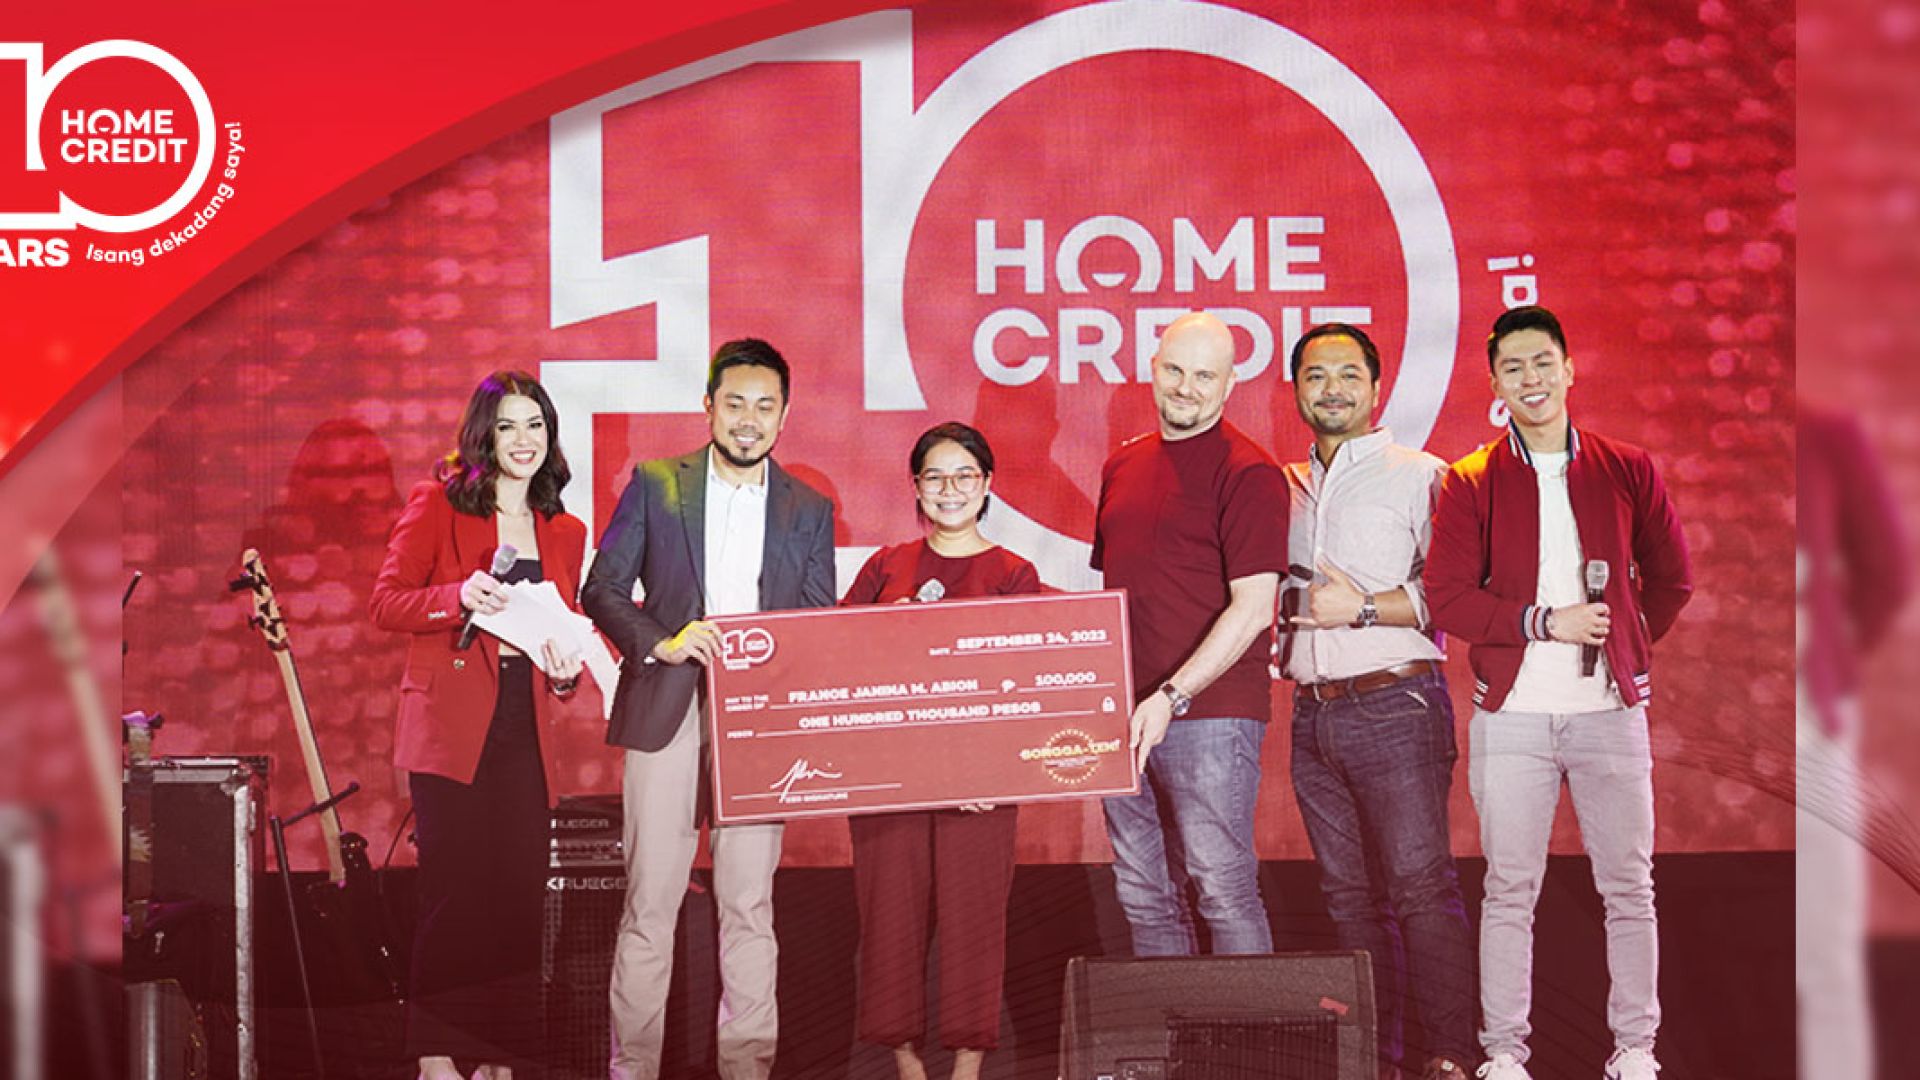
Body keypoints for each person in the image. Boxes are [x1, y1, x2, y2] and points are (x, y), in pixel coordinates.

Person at [1424, 306, 1692, 1080]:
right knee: (1510, 889)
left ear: (1569, 369)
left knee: (1629, 887)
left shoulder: (1626, 468)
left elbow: (1672, 578)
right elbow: (1447, 598)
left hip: (1609, 714)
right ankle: (1504, 1054)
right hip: (1512, 717)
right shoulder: (1471, 480)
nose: (1531, 379)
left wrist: (1626, 645)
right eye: (1513, 368)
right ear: (1495, 385)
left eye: (1542, 362)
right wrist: (1544, 623)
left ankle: (1635, 1049)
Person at [582, 338, 836, 1080]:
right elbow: (602, 589)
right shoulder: (658, 484)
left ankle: (746, 1069)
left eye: (764, 406)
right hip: (667, 705)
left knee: (749, 907)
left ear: (784, 415)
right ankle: (632, 1069)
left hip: (758, 722)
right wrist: (661, 642)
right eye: (735, 404)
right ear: (708, 407)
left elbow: (817, 619)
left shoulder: (809, 509)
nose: (748, 420)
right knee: (649, 905)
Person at [370, 370, 588, 1080]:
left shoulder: (565, 530)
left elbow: (563, 636)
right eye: (507, 427)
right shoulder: (439, 504)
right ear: (482, 436)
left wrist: (565, 674)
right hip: (451, 727)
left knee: (519, 896)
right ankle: (436, 1056)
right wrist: (457, 596)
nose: (524, 441)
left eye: (535, 425)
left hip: (525, 728)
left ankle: (499, 1058)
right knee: (456, 895)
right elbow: (387, 602)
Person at [1279, 324, 1474, 1080]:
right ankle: (1374, 1063)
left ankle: (1452, 1056)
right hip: (1312, 715)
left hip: (1397, 704)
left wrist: (1361, 608)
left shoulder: (1422, 476)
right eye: (1316, 376)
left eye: (1348, 375)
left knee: (1421, 889)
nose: (1332, 389)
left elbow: (1459, 591)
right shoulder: (1283, 485)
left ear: (1376, 386)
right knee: (1348, 901)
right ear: (1296, 389)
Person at [841, 422, 1040, 1080]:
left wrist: (996, 769)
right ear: (916, 487)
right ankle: (903, 1058)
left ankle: (967, 1064)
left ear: (986, 485)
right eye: (935, 476)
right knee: (887, 918)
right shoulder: (885, 566)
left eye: (964, 476)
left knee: (974, 919)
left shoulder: (1013, 573)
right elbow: (835, 657)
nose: (949, 489)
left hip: (979, 784)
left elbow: (1029, 686)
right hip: (890, 779)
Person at [1091, 309, 1288, 956]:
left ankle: (1246, 1029)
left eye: (1204, 376)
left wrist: (1170, 697)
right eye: (1175, 370)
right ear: (1152, 370)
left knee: (1221, 888)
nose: (1186, 387)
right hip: (1124, 719)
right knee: (1142, 894)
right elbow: (1121, 598)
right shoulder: (1121, 466)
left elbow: (1253, 609)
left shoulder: (1249, 472)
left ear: (1230, 384)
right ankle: (1170, 1026)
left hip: (1210, 715)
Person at [1797, 403, 1908, 1080]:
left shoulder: (1829, 438)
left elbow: (1886, 573)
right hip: (1738, 725)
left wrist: (1834, 662)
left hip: (1814, 719)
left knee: (1828, 944)